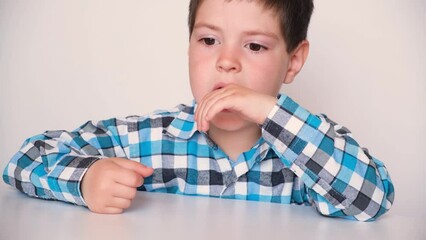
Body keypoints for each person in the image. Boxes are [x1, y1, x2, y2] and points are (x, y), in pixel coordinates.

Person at [2, 0, 394, 221]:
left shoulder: (310, 145)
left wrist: (271, 111)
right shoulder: (148, 139)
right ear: (189, 46)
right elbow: (25, 159)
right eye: (209, 40)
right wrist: (86, 179)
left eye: (254, 46)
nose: (227, 62)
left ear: (293, 61)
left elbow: (373, 199)